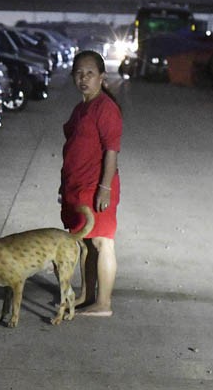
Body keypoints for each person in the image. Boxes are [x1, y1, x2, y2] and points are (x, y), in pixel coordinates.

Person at [59, 50, 122, 317]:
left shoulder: (105, 108)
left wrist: (104, 188)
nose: (84, 78)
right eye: (79, 73)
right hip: (77, 186)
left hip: (97, 187)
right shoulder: (81, 107)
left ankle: (104, 303)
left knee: (102, 242)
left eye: (90, 73)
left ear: (101, 77)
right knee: (84, 242)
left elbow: (111, 151)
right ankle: (86, 295)